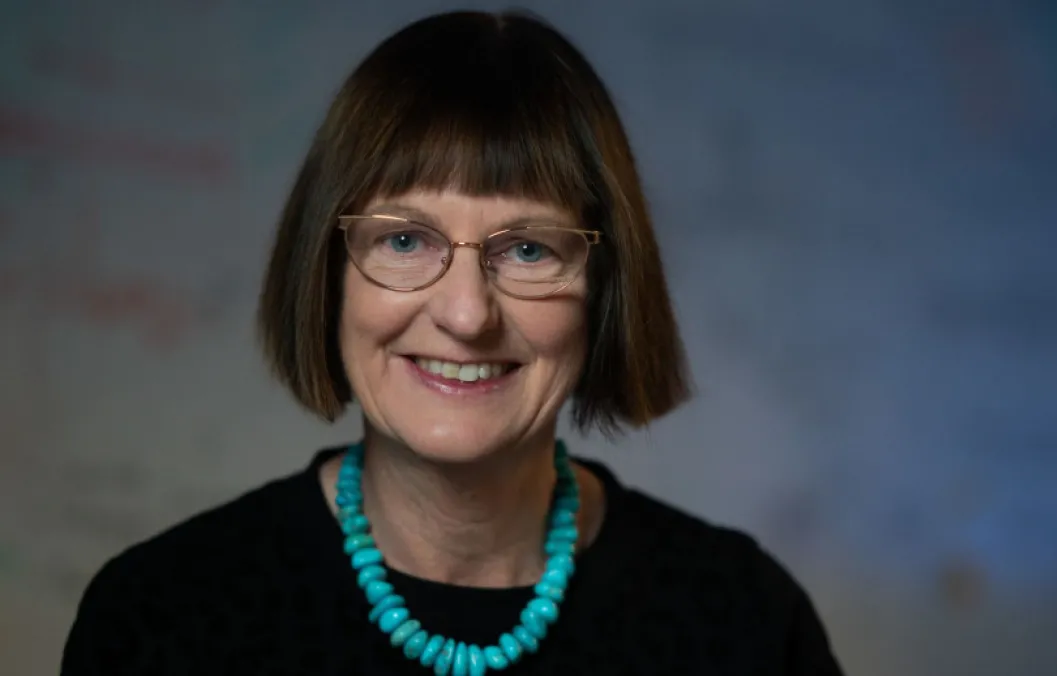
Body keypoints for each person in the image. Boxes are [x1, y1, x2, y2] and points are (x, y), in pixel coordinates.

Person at [61, 9, 843, 675]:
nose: (467, 314)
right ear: (328, 273)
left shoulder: (745, 626)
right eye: (404, 240)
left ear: (605, 287)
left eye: (529, 249)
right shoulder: (162, 618)